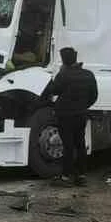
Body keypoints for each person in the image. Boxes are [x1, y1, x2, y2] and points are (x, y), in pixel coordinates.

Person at [40, 46, 98, 186]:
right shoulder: (88, 74)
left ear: (63, 60)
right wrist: (83, 107)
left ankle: (66, 177)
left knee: (68, 146)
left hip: (65, 116)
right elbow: (94, 96)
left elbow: (53, 91)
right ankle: (81, 176)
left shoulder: (63, 75)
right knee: (80, 145)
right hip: (81, 115)